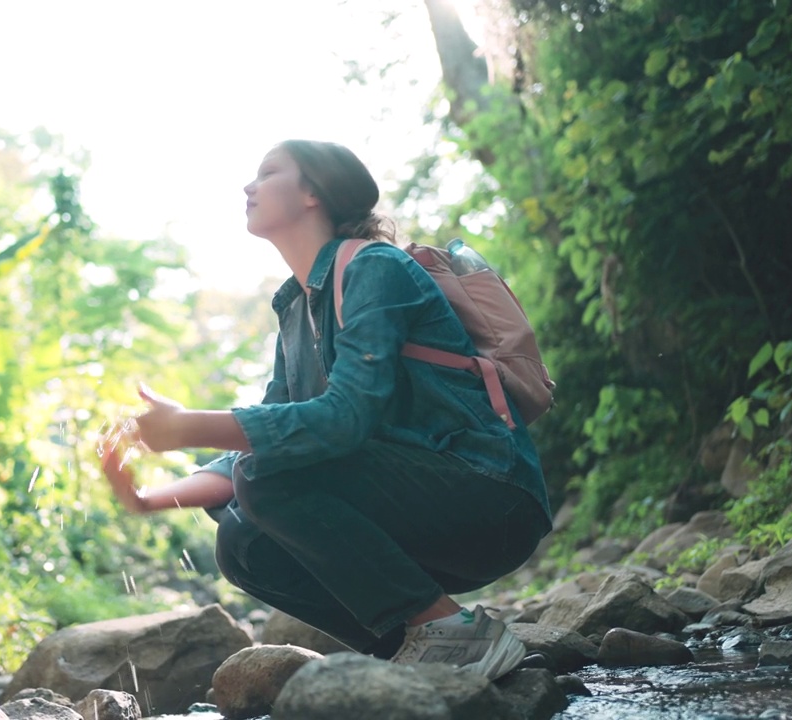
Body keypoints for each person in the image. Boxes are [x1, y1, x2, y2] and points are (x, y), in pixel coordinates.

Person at [98, 139, 553, 680]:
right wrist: (149, 498)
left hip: (490, 498)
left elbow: (345, 418)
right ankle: (411, 657)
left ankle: (457, 634)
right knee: (242, 544)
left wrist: (188, 426)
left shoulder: (376, 268)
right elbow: (263, 435)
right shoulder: (295, 306)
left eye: (267, 173)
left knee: (269, 471)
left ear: (314, 192)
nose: (248, 186)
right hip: (418, 512)